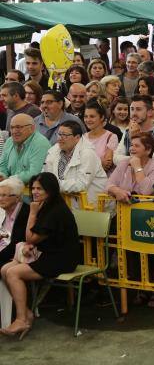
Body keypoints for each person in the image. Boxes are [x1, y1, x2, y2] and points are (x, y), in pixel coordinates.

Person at [0, 173, 80, 338]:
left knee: (13, 273)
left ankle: (21, 319)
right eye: (33, 188)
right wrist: (29, 246)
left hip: (61, 258)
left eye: (39, 189)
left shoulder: (55, 210)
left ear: (50, 191)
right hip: (46, 253)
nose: (35, 192)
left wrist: (32, 212)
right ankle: (27, 313)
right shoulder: (45, 205)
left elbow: (30, 236)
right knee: (4, 269)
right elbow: (35, 240)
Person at [43, 120, 107, 209]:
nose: (60, 138)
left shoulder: (88, 154)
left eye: (64, 135)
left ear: (77, 137)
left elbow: (81, 184)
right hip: (62, 204)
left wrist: (52, 185)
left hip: (91, 207)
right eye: (59, 134)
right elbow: (46, 174)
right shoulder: (54, 150)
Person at [107, 132, 154, 206]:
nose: (132, 148)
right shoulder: (124, 163)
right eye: (131, 145)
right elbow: (109, 184)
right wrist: (117, 191)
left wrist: (137, 167)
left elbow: (146, 190)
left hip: (150, 211)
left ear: (148, 150)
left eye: (137, 146)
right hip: (124, 211)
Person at [0, 114, 50, 184]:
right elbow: (2, 166)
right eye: (12, 127)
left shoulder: (40, 143)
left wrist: (9, 180)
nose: (14, 131)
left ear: (32, 128)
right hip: (11, 187)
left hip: (32, 190)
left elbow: (34, 173)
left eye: (18, 127)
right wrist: (2, 175)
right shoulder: (9, 141)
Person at [0, 177, 29, 270]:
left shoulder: (25, 213)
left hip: (14, 257)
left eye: (4, 195)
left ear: (17, 197)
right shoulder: (3, 211)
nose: (0, 199)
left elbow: (16, 244)